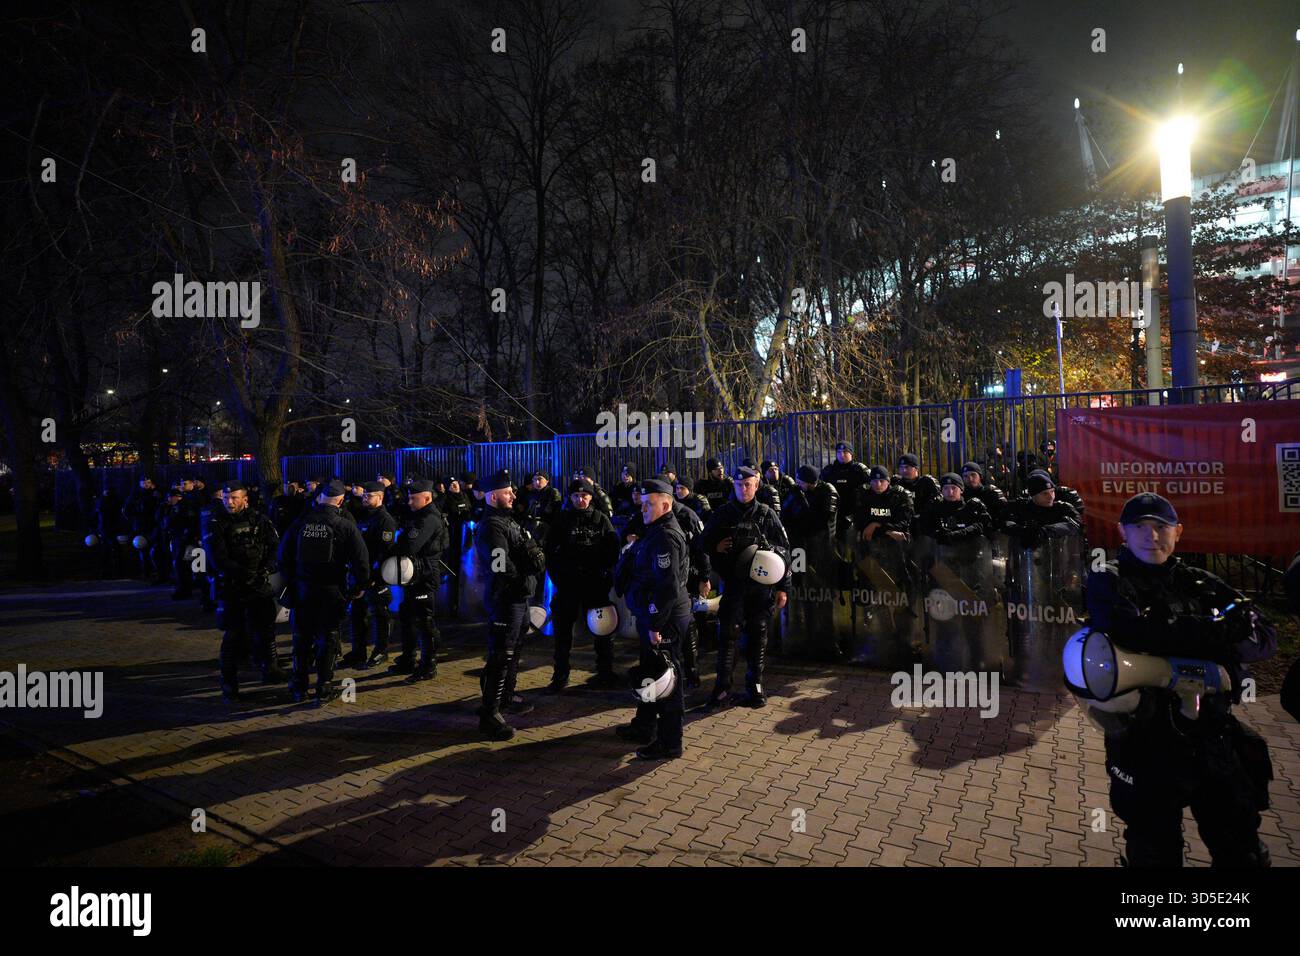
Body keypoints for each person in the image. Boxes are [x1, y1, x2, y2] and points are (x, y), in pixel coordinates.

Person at [1083, 492, 1277, 867]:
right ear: (1122, 531)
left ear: (1178, 532)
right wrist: (1217, 634)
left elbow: (1264, 639)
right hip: (1146, 743)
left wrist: (1211, 636)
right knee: (1153, 851)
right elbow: (1134, 633)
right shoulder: (1108, 581)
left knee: (1242, 849)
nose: (1151, 536)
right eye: (1140, 526)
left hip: (1213, 739)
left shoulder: (1199, 582)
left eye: (1161, 527)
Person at [612, 477, 692, 759]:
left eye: (649, 504)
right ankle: (645, 725)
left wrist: (656, 624)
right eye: (642, 503)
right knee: (650, 671)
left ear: (666, 504)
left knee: (667, 679)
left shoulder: (665, 536)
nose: (643, 508)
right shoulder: (654, 529)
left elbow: (667, 587)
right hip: (655, 615)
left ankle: (670, 743)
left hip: (665, 618)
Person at [700, 465, 792, 709]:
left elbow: (784, 551)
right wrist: (715, 547)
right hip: (733, 586)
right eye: (739, 485)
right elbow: (702, 542)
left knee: (758, 635)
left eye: (748, 484)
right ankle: (722, 688)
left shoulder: (766, 514)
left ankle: (755, 686)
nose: (743, 489)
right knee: (727, 636)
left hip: (761, 589)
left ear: (757, 485)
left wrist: (784, 587)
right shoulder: (722, 514)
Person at [278, 480, 369, 705]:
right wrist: (358, 588)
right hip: (331, 591)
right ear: (340, 501)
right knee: (328, 638)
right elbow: (361, 562)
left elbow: (282, 557)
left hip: (303, 590)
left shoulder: (299, 523)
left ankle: (299, 686)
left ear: (319, 498)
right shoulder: (345, 526)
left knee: (301, 638)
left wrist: (290, 584)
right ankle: (324, 687)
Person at [475, 470, 545, 740]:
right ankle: (489, 713)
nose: (514, 495)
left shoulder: (507, 520)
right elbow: (499, 565)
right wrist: (523, 575)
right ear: (494, 496)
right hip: (506, 600)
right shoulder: (492, 526)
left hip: (519, 599)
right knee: (501, 655)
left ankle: (505, 697)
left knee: (513, 651)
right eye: (508, 492)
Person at [206, 481, 283, 700]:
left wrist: (266, 568)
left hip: (259, 585)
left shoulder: (259, 519)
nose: (229, 502)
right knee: (233, 636)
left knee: (266, 630)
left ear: (245, 499)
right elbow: (217, 557)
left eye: (234, 498)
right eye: (226, 498)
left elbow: (274, 546)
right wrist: (244, 574)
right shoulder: (215, 523)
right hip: (233, 587)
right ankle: (229, 684)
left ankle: (271, 670)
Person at [544, 478, 621, 692]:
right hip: (568, 586)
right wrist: (560, 579)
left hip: (595, 587)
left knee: (602, 631)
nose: (581, 499)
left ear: (591, 496)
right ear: (570, 497)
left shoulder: (601, 519)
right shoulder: (562, 521)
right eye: (576, 496)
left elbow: (613, 549)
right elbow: (551, 553)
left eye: (584, 495)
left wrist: (604, 575)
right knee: (562, 634)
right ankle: (560, 675)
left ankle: (605, 672)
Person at [389, 478, 449, 681]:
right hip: (415, 574)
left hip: (424, 575)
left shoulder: (429, 519)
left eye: (413, 498)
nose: (409, 502)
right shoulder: (420, 515)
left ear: (427, 498)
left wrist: (397, 545)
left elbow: (409, 546)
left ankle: (428, 665)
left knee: (425, 621)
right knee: (408, 617)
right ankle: (408, 658)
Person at [342, 481, 398, 670]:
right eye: (364, 495)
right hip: (360, 574)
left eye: (369, 496)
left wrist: (373, 576)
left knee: (379, 615)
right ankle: (358, 651)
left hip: (375, 576)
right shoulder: (363, 516)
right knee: (358, 615)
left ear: (380, 498)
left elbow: (385, 551)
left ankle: (381, 651)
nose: (365, 498)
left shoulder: (385, 520)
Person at [1001, 470, 1080, 548]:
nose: (1051, 497)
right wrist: (1024, 531)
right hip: (1028, 556)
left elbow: (1074, 524)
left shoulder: (1063, 507)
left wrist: (1045, 531)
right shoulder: (1021, 506)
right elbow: (1004, 523)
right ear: (1033, 496)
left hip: (1058, 554)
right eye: (1045, 493)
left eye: (1052, 491)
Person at [917, 474, 995, 543]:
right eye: (946, 488)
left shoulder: (971, 507)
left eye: (954, 488)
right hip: (942, 555)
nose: (950, 492)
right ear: (941, 491)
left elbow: (980, 527)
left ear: (961, 490)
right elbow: (925, 528)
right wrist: (937, 534)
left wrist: (955, 535)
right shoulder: (935, 508)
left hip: (969, 554)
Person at [440, 475, 472, 618]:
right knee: (453, 573)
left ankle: (464, 603)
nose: (455, 486)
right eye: (451, 484)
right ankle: (451, 605)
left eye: (456, 483)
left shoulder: (464, 496)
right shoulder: (444, 499)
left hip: (465, 539)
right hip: (452, 541)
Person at [122, 476, 162, 580]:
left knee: (155, 549)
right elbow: (126, 510)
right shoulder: (135, 495)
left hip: (153, 525)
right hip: (141, 526)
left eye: (148, 482)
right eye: (144, 483)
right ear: (140, 484)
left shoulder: (155, 493)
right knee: (143, 549)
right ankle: (146, 571)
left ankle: (156, 571)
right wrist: (136, 518)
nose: (146, 484)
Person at [892, 452, 940, 531]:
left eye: (907, 467)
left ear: (916, 468)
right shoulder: (897, 483)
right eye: (901, 467)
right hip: (901, 525)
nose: (904, 470)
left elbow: (935, 503)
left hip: (924, 525)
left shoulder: (926, 482)